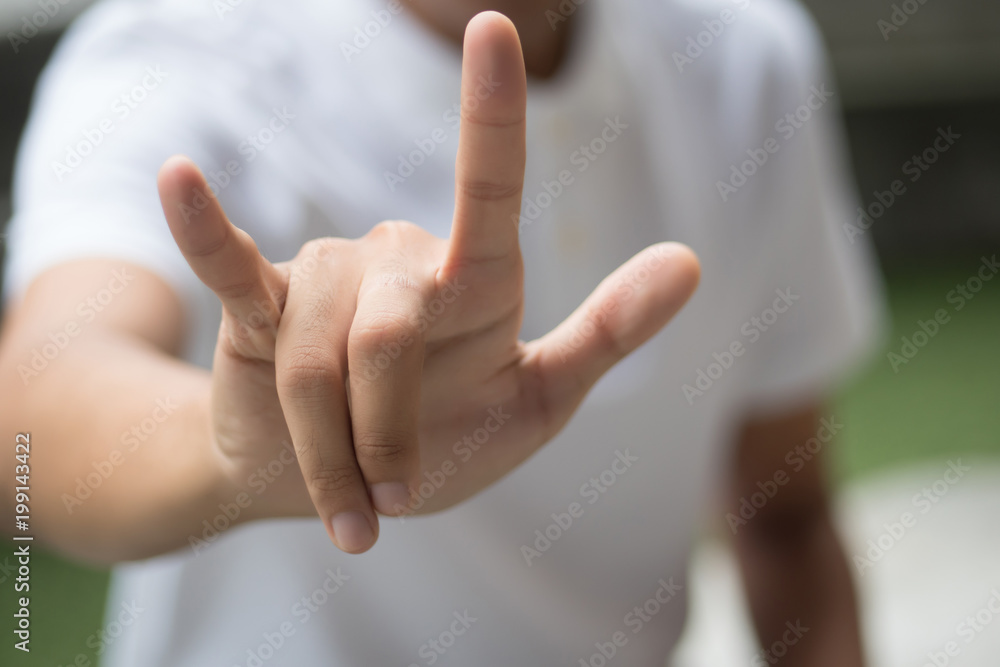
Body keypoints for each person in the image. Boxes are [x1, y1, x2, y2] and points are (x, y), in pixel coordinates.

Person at [0, 0, 883, 664]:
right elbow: (31, 414)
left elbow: (787, 520)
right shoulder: (179, 51)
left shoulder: (744, 58)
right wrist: (231, 448)